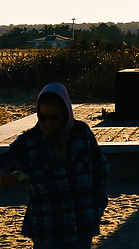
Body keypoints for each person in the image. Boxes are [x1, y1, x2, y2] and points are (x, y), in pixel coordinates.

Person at [0, 82, 109, 248]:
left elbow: (101, 169)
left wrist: (98, 206)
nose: (48, 122)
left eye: (54, 117)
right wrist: (4, 174)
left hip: (81, 225)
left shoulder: (82, 133)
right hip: (47, 229)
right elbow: (5, 161)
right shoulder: (30, 140)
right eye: (43, 117)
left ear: (65, 113)